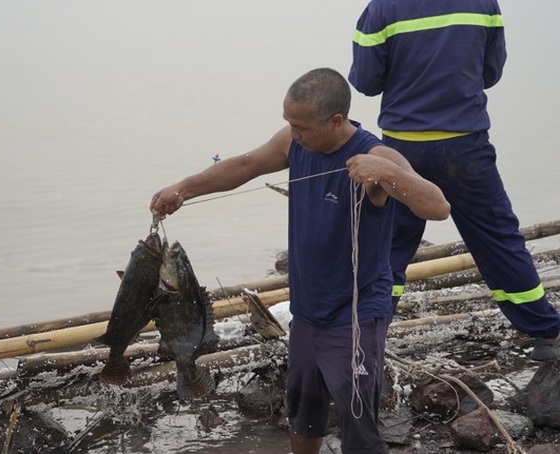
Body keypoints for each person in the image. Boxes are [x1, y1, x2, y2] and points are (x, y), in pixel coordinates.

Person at [150, 68, 450, 454]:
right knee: (303, 411)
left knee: (357, 418)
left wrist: (389, 172)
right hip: (308, 310)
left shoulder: (376, 156)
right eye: (289, 123)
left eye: (302, 127)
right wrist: (183, 189)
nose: (294, 134)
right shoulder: (294, 145)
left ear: (335, 121)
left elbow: (438, 207)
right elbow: (243, 166)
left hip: (356, 313)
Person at [348, 0, 560, 361]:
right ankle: (547, 334)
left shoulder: (382, 8)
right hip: (465, 145)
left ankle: (367, 341)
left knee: (389, 248)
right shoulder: (483, 3)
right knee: (497, 239)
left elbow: (365, 81)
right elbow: (490, 72)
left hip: (403, 149)